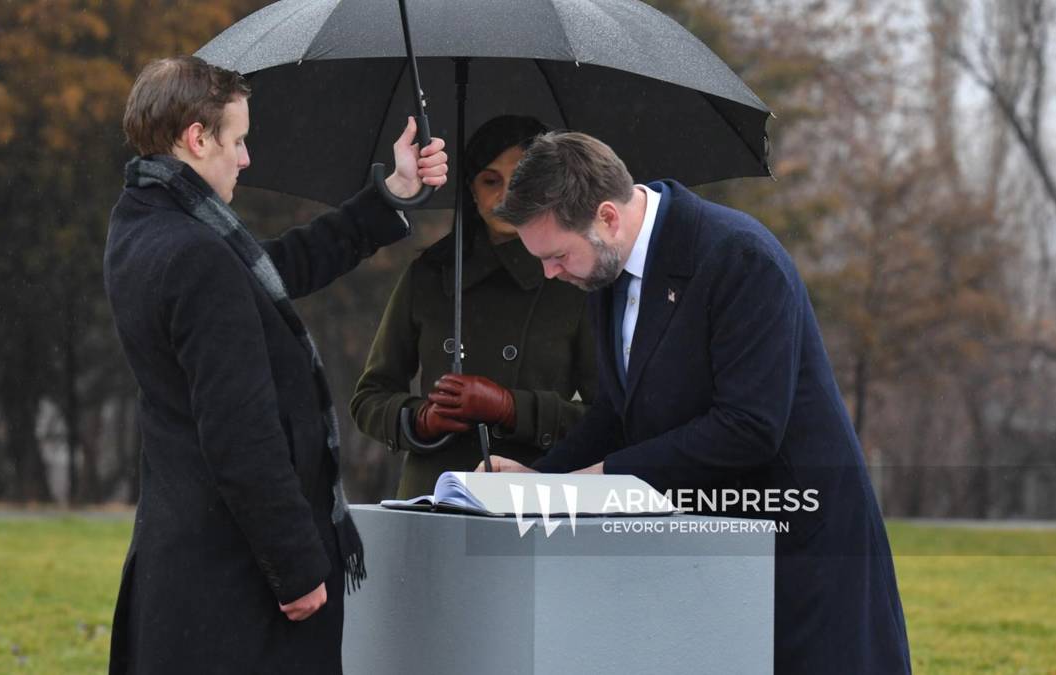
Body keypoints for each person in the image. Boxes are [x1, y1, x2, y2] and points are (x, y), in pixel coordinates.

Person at [482, 132, 911, 674]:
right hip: (713, 553)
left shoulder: (739, 256)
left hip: (800, 554)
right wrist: (538, 484)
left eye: (557, 255)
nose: (549, 273)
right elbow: (617, 413)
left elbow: (749, 427)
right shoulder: (607, 272)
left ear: (608, 218)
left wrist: (605, 479)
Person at [104, 56, 446, 673]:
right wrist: (294, 567)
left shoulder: (146, 224)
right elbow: (241, 433)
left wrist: (388, 196)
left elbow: (276, 267)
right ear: (196, 138)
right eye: (237, 140)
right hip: (237, 578)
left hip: (190, 557)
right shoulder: (196, 253)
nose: (246, 158)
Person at [351, 116, 597, 498]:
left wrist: (513, 409)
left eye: (519, 180)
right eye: (490, 180)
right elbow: (370, 397)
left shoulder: (574, 280)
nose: (505, 197)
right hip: (433, 497)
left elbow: (608, 420)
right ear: (471, 189)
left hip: (528, 498)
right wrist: (420, 420)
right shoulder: (429, 276)